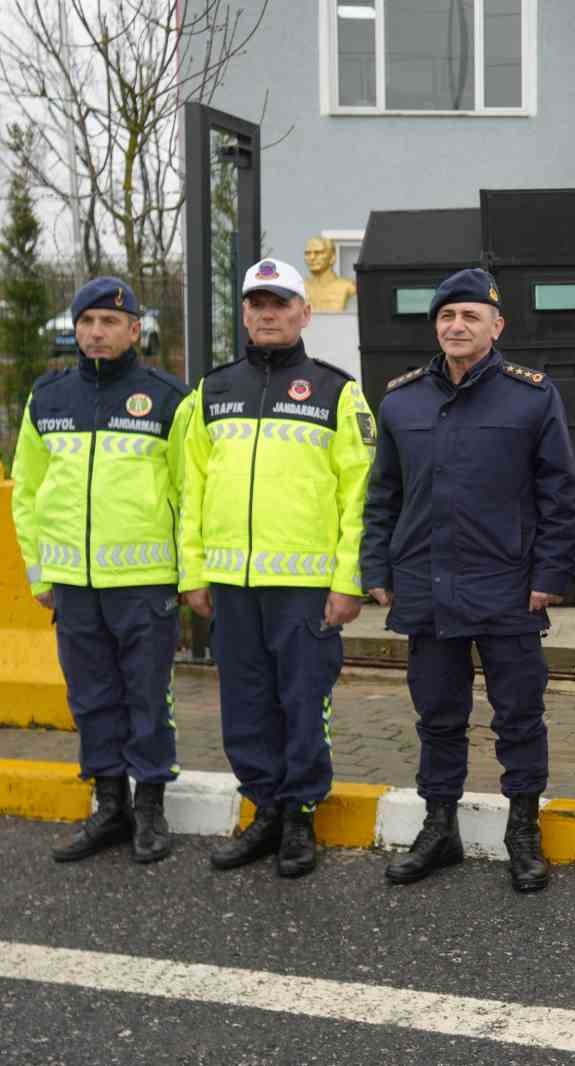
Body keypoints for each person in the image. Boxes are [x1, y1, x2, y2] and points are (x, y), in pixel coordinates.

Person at [361, 267, 575, 893]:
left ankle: (522, 830)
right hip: (426, 588)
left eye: (470, 317)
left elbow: (562, 496)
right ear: (436, 326)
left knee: (519, 716)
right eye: (446, 317)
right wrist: (375, 568)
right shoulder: (401, 399)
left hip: (507, 587)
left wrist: (550, 575)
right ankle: (440, 827)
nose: (457, 326)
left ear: (496, 326)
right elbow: (382, 495)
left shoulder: (532, 396)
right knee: (437, 715)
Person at [179, 258, 376, 879]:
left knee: (301, 699)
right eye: (257, 303)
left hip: (304, 587)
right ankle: (262, 809)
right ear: (244, 314)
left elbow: (360, 495)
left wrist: (348, 580)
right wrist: (194, 572)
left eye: (281, 303)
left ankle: (299, 816)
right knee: (243, 702)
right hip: (232, 587)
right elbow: (190, 489)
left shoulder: (337, 392)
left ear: (304, 313)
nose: (268, 313)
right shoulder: (211, 392)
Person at [10, 276, 192, 865]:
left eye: (110, 322)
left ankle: (150, 809)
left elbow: (192, 494)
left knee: (146, 696)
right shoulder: (48, 396)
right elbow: (27, 492)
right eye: (86, 322)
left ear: (135, 329)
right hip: (73, 585)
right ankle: (109, 806)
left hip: (144, 584)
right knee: (91, 699)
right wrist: (42, 575)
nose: (96, 332)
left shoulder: (168, 396)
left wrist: (189, 575)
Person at [302, 237, 357, 313]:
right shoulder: (301, 287)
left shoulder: (349, 286)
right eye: (307, 253)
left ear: (332, 257)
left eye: (318, 253)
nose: (312, 257)